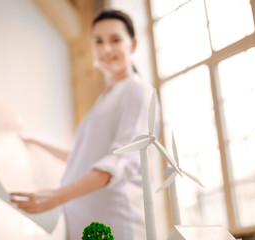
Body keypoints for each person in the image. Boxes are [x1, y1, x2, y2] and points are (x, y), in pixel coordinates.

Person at [11, 9, 158, 239]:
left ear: (133, 45)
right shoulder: (103, 101)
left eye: (115, 40)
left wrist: (59, 196)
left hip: (115, 221)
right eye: (98, 41)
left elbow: (122, 160)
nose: (106, 49)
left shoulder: (136, 90)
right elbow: (83, 159)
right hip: (83, 222)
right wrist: (37, 143)